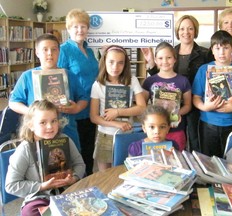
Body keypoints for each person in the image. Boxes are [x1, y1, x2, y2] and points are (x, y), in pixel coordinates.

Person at [5, 100, 85, 216]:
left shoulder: (65, 140)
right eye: (42, 122)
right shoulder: (25, 149)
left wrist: (74, 178)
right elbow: (11, 185)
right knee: (31, 213)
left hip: (68, 191)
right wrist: (41, 186)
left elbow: (80, 164)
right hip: (39, 197)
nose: (50, 127)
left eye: (54, 121)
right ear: (31, 125)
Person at [9, 34, 88, 151]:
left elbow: (84, 98)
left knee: (70, 164)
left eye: (54, 49)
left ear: (59, 52)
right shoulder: (27, 76)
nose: (50, 53)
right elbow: (13, 102)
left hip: (67, 131)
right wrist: (32, 112)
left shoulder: (68, 75)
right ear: (37, 53)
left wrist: (76, 108)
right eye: (45, 49)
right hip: (38, 134)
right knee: (38, 164)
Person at [142, 15, 209, 152]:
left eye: (190, 28)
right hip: (167, 110)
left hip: (195, 102)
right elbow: (160, 77)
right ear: (177, 31)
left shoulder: (205, 53)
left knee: (193, 141)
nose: (186, 32)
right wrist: (150, 63)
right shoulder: (171, 51)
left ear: (195, 31)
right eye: (182, 28)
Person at [192, 30, 232, 158]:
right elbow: (196, 98)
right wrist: (205, 107)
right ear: (212, 50)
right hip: (208, 124)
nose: (222, 52)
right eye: (218, 48)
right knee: (209, 161)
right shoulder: (204, 70)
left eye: (226, 48)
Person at [90, 44, 146, 172]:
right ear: (104, 61)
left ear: (125, 64)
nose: (115, 67)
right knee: (104, 175)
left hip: (126, 134)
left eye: (120, 63)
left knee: (124, 171)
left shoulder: (132, 80)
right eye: (111, 62)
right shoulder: (98, 85)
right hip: (105, 135)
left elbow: (142, 107)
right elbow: (94, 117)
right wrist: (116, 123)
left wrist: (118, 112)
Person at [58, 8, 99, 175]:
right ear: (68, 29)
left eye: (83, 26)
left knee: (88, 151)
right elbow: (59, 79)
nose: (80, 30)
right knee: (75, 152)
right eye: (75, 27)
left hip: (92, 107)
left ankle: (87, 182)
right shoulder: (63, 50)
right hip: (73, 109)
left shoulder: (90, 50)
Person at [142, 42, 192, 151]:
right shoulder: (149, 81)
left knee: (175, 161)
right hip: (155, 132)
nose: (164, 61)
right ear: (155, 60)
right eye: (160, 58)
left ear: (175, 59)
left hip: (176, 129)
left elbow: (188, 105)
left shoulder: (183, 81)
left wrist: (177, 112)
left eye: (168, 57)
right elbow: (142, 106)